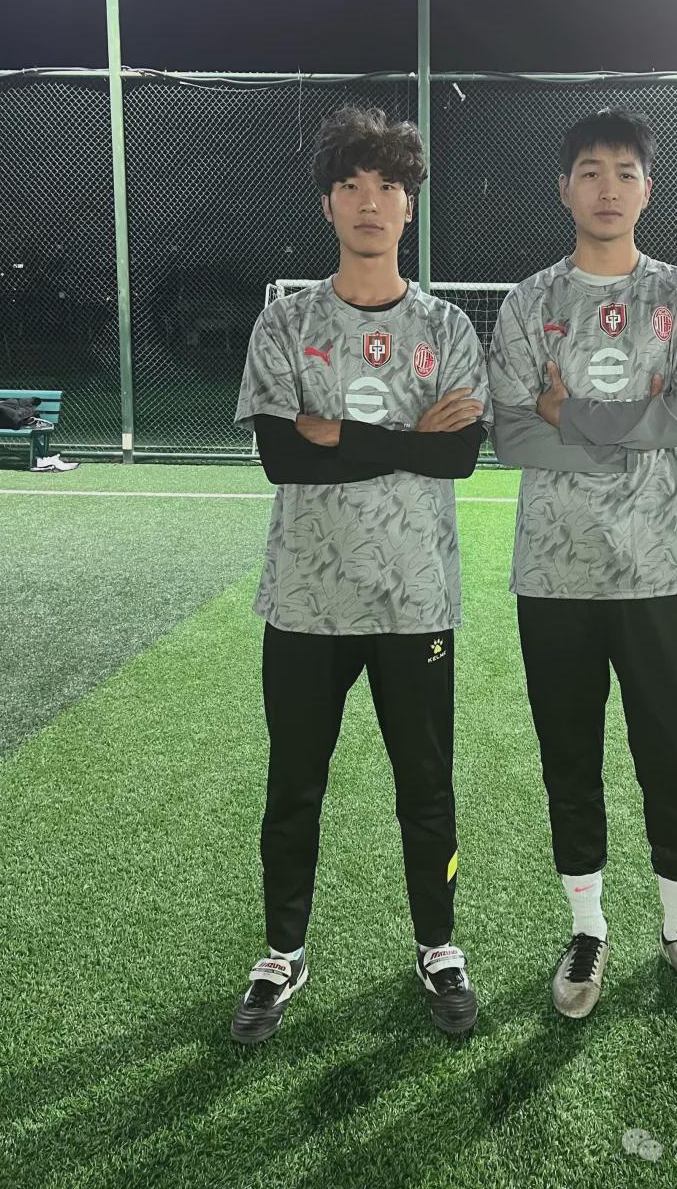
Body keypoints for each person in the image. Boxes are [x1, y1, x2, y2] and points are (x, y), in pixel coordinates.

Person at [231, 105, 491, 1044]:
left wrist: (339, 432)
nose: (370, 201)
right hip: (305, 600)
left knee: (426, 785)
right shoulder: (287, 322)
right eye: (351, 184)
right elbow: (281, 458)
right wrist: (404, 438)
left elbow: (459, 458)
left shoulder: (447, 327)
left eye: (388, 185)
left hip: (415, 598)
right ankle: (282, 954)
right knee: (294, 784)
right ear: (328, 204)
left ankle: (439, 947)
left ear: (410, 205)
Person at [487, 107, 677, 1021]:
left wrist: (571, 415)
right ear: (565, 188)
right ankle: (587, 929)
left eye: (625, 172)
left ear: (646, 189)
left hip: (660, 568)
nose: (607, 188)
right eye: (590, 171)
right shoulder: (530, 303)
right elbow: (511, 433)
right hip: (554, 574)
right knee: (571, 758)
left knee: (672, 754)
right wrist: (634, 425)